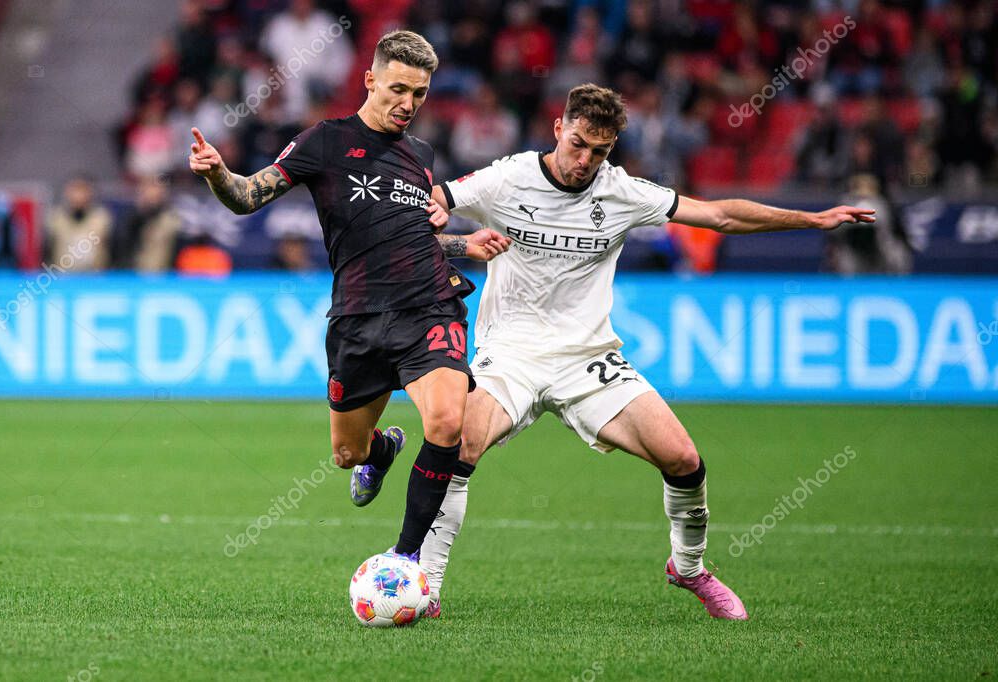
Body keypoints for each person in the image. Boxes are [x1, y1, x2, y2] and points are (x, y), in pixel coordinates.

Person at [411, 84, 874, 620]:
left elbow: (719, 216)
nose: (585, 160)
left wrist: (811, 220)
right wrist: (442, 229)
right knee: (459, 446)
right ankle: (428, 586)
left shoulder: (622, 192)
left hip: (587, 357)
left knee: (683, 459)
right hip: (509, 351)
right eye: (578, 144)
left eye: (600, 151)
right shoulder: (507, 177)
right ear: (559, 129)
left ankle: (689, 568)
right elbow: (432, 203)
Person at [188, 30, 509, 561]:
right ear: (370, 79)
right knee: (346, 453)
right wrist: (219, 172)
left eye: (421, 93)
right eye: (398, 89)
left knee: (449, 422)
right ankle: (381, 449)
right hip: (359, 318)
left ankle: (405, 560)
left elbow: (409, 231)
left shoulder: (422, 154)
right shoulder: (325, 141)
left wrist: (462, 244)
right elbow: (247, 197)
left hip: (429, 305)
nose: (408, 104)